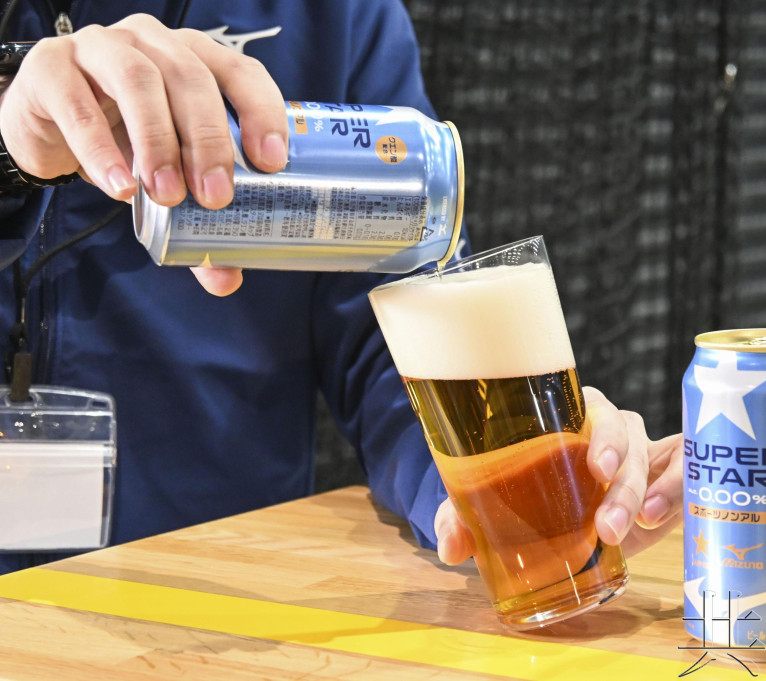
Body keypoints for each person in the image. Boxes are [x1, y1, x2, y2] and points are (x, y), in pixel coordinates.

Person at [0, 0, 682, 575]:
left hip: (213, 593)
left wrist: (501, 459)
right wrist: (10, 154)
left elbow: (395, 340)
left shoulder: (340, 15)